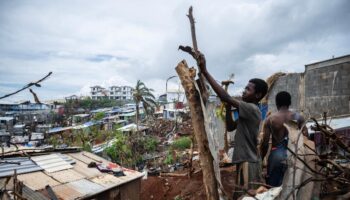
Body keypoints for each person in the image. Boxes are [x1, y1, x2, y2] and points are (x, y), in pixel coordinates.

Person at [197, 53, 268, 198]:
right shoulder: (247, 111)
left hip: (249, 163)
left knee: (247, 197)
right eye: (245, 88)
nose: (244, 91)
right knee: (244, 196)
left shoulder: (252, 109)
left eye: (248, 89)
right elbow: (230, 127)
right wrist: (228, 106)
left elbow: (225, 96)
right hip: (245, 161)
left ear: (257, 95)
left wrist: (204, 71)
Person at [260, 91, 307, 187]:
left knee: (273, 187)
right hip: (295, 154)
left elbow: (265, 143)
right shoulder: (299, 117)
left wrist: (261, 158)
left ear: (277, 103)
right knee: (293, 185)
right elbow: (306, 137)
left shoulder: (270, 119)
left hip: (276, 155)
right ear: (289, 103)